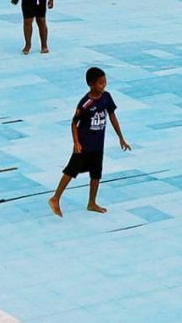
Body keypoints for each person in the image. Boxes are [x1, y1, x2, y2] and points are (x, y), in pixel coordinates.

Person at [50, 66, 131, 215]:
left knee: (96, 173)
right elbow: (74, 123)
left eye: (105, 82)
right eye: (100, 83)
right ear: (91, 84)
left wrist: (121, 138)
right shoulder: (85, 103)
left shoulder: (107, 97)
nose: (104, 85)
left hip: (98, 145)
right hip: (84, 145)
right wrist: (76, 143)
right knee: (71, 170)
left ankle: (92, 202)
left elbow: (112, 116)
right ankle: (55, 198)